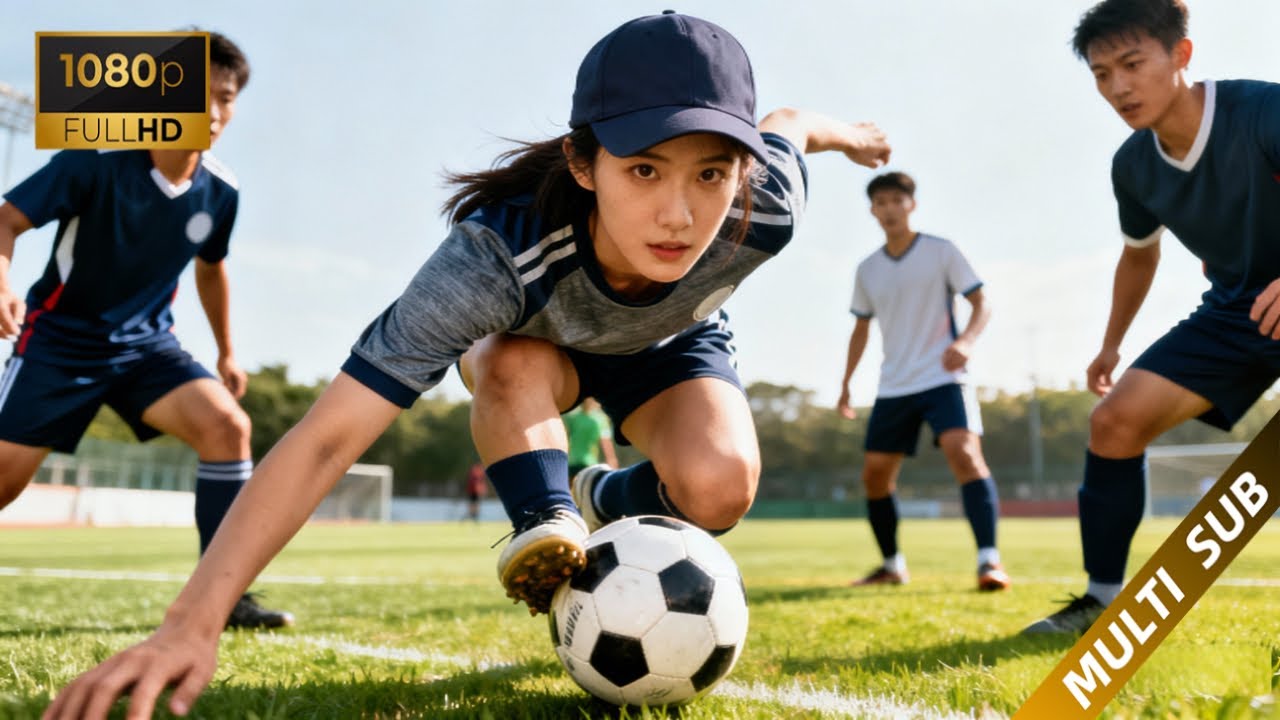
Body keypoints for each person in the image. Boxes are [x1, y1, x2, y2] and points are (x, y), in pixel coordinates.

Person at [44, 12, 891, 718]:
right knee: (512, 354)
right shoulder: (489, 261)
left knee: (721, 491)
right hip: (536, 346)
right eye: (643, 169)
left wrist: (849, 136)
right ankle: (546, 512)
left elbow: (787, 127)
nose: (679, 212)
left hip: (667, 344)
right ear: (582, 162)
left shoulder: (765, 207)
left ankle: (600, 492)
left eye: (712, 172)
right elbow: (327, 439)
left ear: (740, 169)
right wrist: (193, 620)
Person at [0, 32, 292, 631]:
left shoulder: (222, 189)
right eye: (197, 94)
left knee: (227, 427)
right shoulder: (94, 159)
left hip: (146, 347)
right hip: (59, 342)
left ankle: (225, 597)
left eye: (225, 97)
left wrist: (228, 351)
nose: (212, 111)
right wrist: (3, 285)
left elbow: (212, 269)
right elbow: (6, 220)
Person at [1023, 0, 1280, 633]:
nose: (1118, 87)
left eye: (1132, 64)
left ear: (1181, 55)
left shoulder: (1264, 111)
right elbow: (1139, 257)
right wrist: (1111, 345)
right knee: (1114, 422)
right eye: (1102, 74)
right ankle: (1100, 602)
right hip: (1235, 312)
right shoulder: (1132, 165)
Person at [836, 171, 1010, 592]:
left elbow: (982, 302)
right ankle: (892, 565)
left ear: (911, 204)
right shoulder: (868, 269)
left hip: (944, 376)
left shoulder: (941, 251)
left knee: (963, 451)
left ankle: (989, 562)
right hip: (894, 384)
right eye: (881, 202)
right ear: (872, 210)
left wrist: (966, 341)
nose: (890, 208)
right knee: (875, 476)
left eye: (898, 199)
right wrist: (845, 384)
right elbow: (861, 329)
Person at [563, 397, 618, 479]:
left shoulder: (573, 417)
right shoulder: (600, 419)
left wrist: (611, 460)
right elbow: (606, 444)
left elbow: (606, 443)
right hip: (582, 464)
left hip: (581, 463)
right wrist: (612, 461)